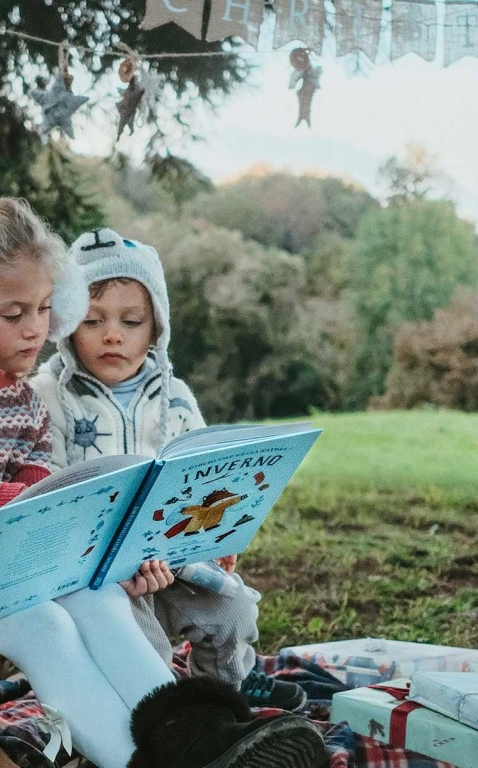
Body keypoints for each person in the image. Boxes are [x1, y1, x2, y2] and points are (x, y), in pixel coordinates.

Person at [0, 200, 328, 768]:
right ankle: (135, 761)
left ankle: (204, 737)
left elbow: (53, 507)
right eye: (13, 313)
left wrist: (114, 545)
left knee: (95, 596)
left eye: (44, 308)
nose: (36, 328)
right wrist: (28, 507)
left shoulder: (25, 405)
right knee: (33, 619)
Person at [32, 227, 306, 711]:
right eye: (93, 321)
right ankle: (166, 726)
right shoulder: (49, 395)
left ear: (156, 326)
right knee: (142, 648)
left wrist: (216, 540)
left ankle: (222, 703)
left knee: (233, 612)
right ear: (67, 324)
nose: (112, 334)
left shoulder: (174, 397)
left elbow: (209, 477)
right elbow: (42, 488)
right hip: (97, 577)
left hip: (175, 561)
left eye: (131, 320)